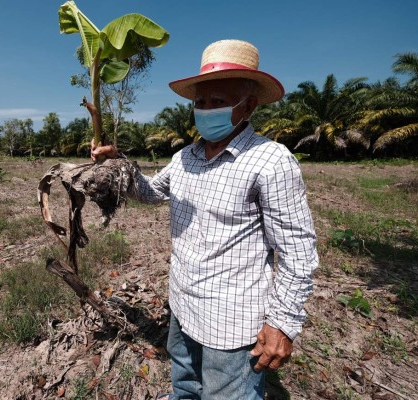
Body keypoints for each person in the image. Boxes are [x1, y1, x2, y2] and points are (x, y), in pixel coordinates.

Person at [92, 39, 318, 399]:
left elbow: (297, 251)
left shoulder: (270, 161)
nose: (206, 110)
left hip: (231, 320)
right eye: (200, 103)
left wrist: (282, 324)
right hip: (183, 304)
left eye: (218, 102)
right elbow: (150, 192)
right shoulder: (185, 157)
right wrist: (118, 165)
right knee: (184, 386)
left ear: (249, 105)